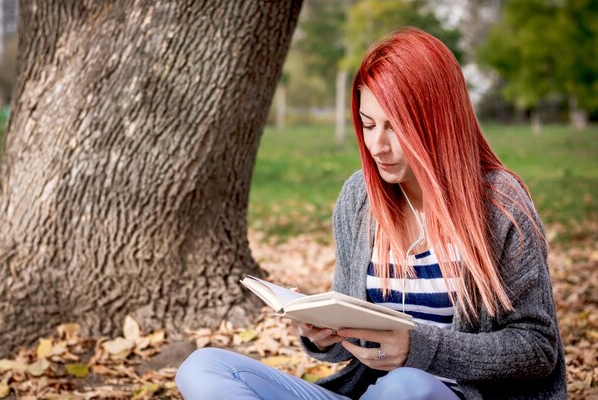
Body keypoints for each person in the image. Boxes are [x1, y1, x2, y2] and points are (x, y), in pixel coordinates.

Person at [175, 27, 567, 400]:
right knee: (204, 366)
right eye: (367, 124)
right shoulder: (359, 197)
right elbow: (352, 345)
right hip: (371, 393)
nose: (377, 145)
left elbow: (536, 348)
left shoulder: (500, 203)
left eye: (395, 127)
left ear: (437, 123)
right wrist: (322, 334)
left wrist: (419, 349)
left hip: (435, 395)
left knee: (406, 387)